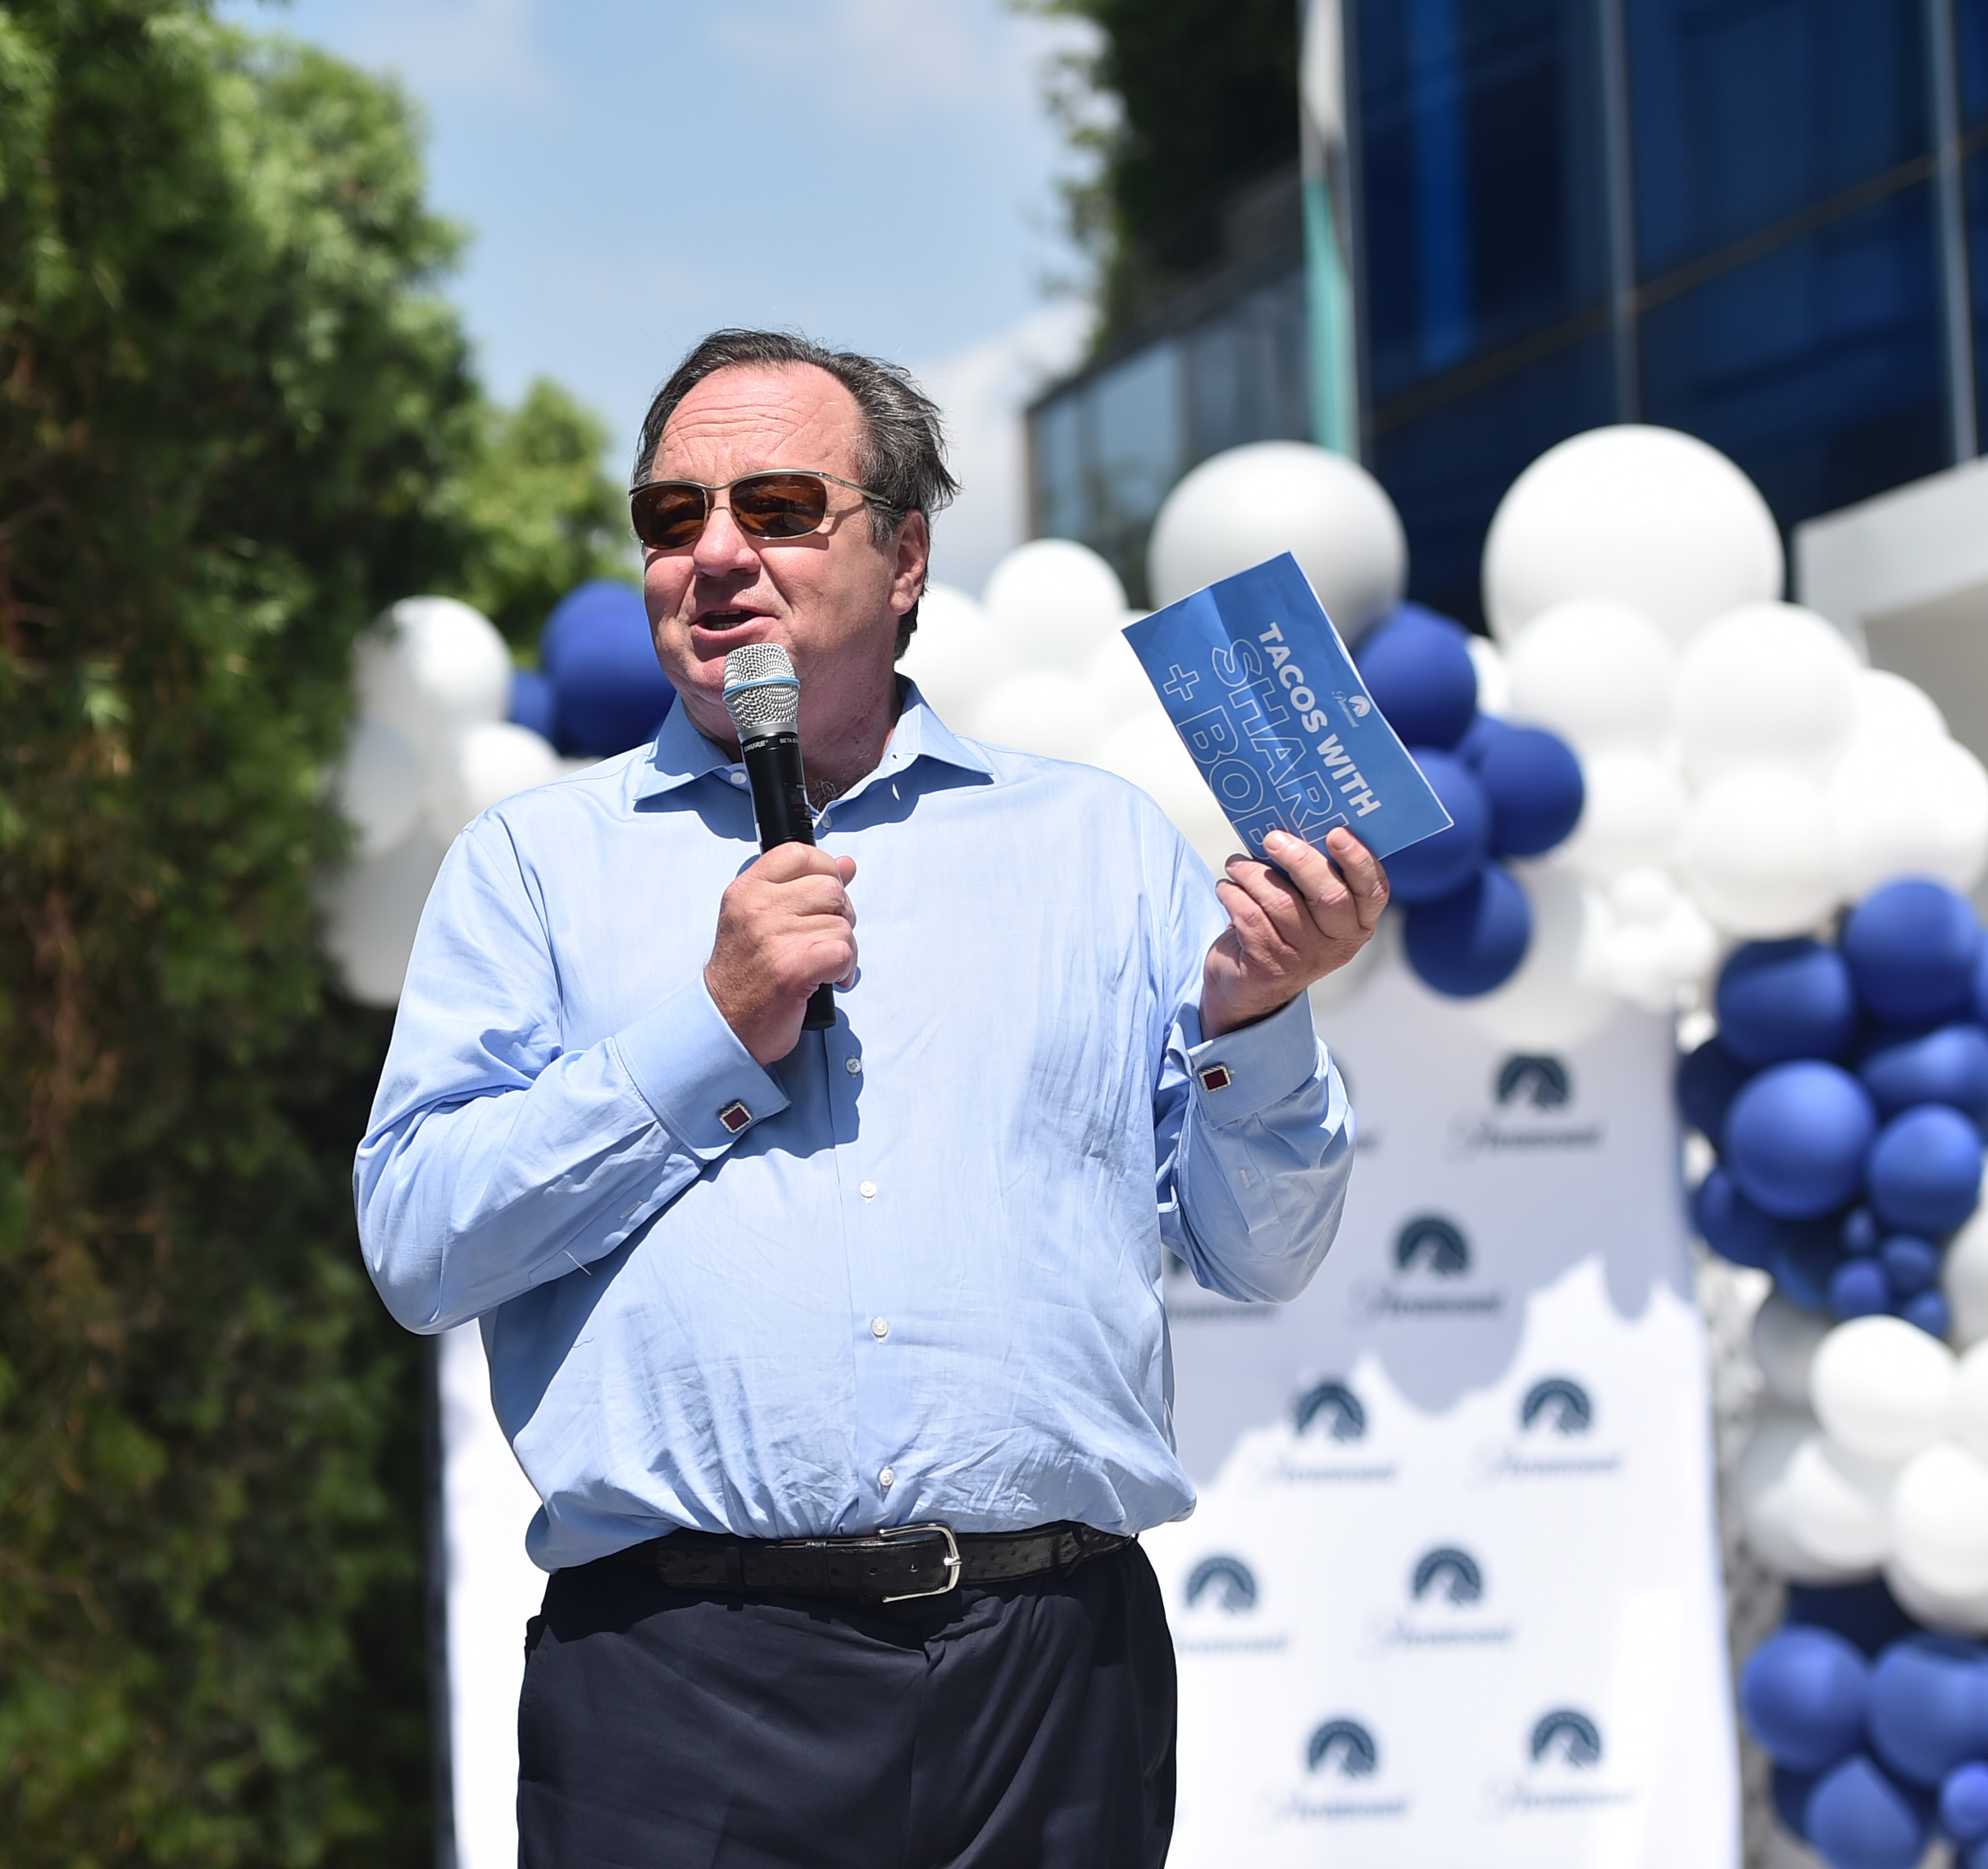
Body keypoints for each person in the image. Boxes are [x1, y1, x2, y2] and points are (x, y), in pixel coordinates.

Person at [355, 328, 1388, 1867]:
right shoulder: (532, 868)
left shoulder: (1100, 849)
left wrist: (1258, 1019)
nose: (713, 554)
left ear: (905, 554)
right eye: (669, 517)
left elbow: (1266, 1250)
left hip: (1054, 1678)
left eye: (776, 506)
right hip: (677, 1690)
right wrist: (711, 1030)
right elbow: (422, 1245)